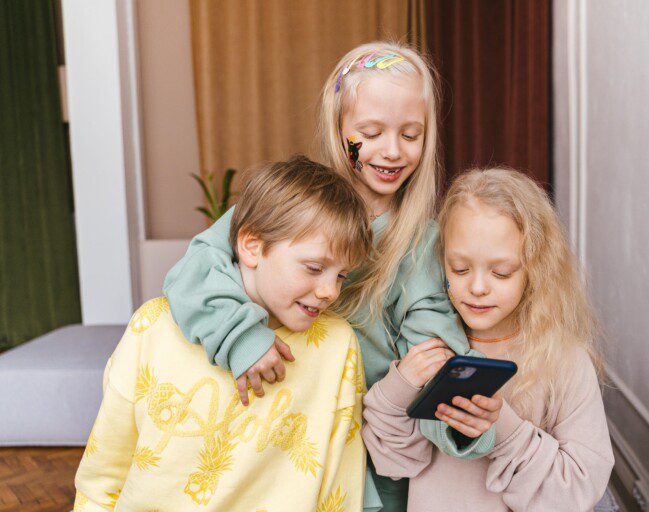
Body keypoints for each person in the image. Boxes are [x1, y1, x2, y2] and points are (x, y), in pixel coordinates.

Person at [162, 42, 496, 511]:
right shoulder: (294, 203)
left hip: (358, 466)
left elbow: (433, 351)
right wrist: (241, 338)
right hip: (271, 440)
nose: (392, 151)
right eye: (371, 131)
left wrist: (461, 413)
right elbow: (194, 268)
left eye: (411, 134)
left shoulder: (422, 244)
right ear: (337, 126)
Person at [74, 156, 371, 512]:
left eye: (341, 275)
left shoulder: (338, 345)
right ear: (252, 246)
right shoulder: (152, 327)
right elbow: (104, 469)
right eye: (314, 268)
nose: (330, 292)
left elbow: (343, 483)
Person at [361, 168, 614, 511]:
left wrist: (505, 431)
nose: (477, 288)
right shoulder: (428, 343)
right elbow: (394, 463)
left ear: (536, 267)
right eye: (460, 269)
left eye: (501, 272)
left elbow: (579, 491)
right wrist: (401, 384)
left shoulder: (563, 360)